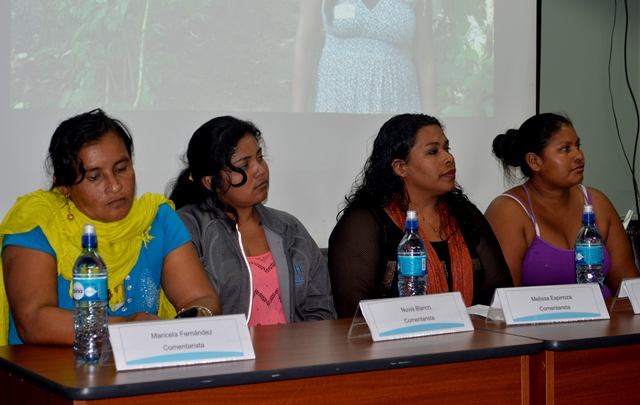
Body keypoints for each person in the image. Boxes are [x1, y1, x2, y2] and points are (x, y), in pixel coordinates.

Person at [0, 109, 221, 346]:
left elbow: (201, 297)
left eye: (121, 169)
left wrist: (195, 318)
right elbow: (32, 321)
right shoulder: (37, 222)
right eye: (94, 177)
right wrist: (123, 328)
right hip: (50, 374)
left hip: (139, 369)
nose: (115, 186)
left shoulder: (156, 217)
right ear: (63, 185)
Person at [328, 113, 513, 318]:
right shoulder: (364, 222)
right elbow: (354, 314)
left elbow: (500, 293)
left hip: (470, 342)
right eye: (433, 151)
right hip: (393, 347)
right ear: (400, 167)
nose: (448, 158)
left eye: (446, 148)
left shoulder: (464, 214)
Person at [168, 116, 336, 325]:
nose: (260, 170)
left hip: (294, 354)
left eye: (260, 158)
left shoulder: (288, 228)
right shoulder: (187, 228)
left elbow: (321, 306)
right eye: (245, 165)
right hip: (228, 354)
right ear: (211, 182)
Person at [485, 113, 639, 296]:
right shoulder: (508, 210)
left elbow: (630, 288)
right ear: (534, 161)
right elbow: (505, 301)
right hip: (540, 322)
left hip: (606, 321)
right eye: (565, 149)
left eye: (578, 146)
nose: (578, 156)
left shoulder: (597, 202)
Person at [292, 0, 436, 114]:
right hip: (334, 102)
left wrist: (431, 122)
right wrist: (297, 115)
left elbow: (424, 58)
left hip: (396, 103)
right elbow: (306, 44)